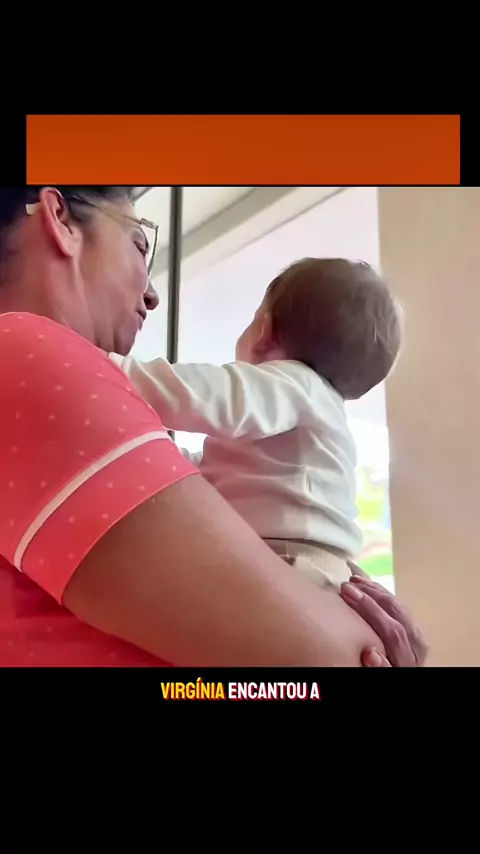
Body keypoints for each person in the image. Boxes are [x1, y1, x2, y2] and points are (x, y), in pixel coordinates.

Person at [0, 185, 427, 667]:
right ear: (60, 219)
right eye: (140, 244)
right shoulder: (23, 354)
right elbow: (322, 661)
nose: (152, 295)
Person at [111, 257, 401, 593]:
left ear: (263, 329)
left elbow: (207, 396)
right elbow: (212, 473)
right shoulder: (306, 411)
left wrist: (112, 370)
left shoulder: (299, 384)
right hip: (299, 562)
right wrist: (158, 448)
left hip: (292, 561)